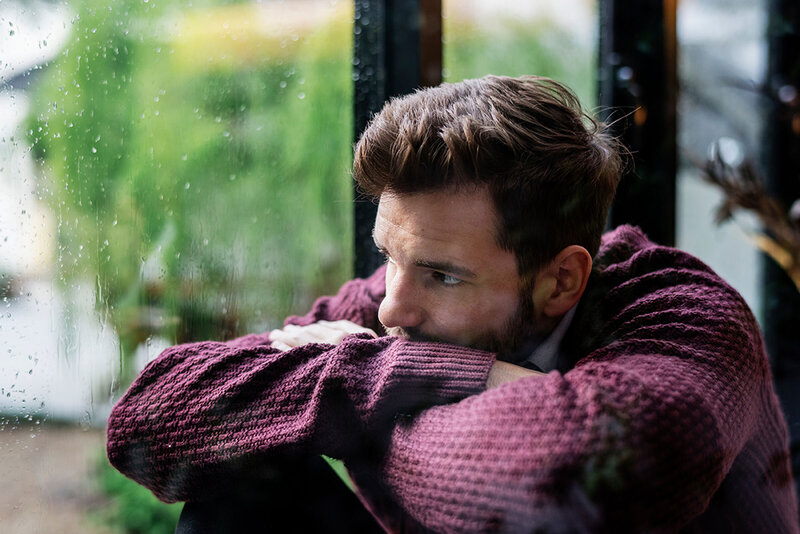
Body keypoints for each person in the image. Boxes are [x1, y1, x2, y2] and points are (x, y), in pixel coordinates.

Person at [106, 75, 799, 532]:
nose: (389, 312)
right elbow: (147, 428)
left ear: (560, 280)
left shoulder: (689, 318)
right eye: (388, 255)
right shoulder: (394, 300)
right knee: (239, 490)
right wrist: (397, 376)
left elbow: (576, 482)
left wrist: (336, 407)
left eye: (443, 276)